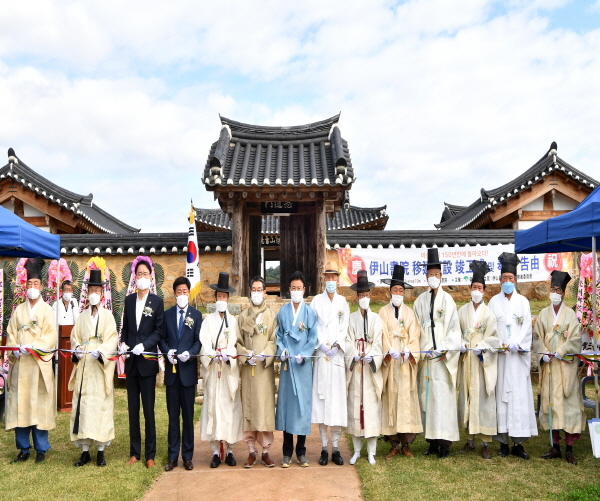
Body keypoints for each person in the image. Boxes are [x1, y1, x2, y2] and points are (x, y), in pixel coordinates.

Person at [5, 257, 57, 464]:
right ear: (25, 287)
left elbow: (51, 336)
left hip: (38, 365)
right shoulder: (18, 311)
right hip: (22, 366)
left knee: (39, 406)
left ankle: (41, 448)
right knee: (21, 405)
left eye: (36, 284)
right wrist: (14, 350)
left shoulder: (47, 310)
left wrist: (34, 346)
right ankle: (23, 448)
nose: (32, 288)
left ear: (42, 287)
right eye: (29, 284)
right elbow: (11, 333)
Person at [533, 270, 585, 465]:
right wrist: (544, 352)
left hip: (565, 367)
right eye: (552, 289)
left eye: (558, 289)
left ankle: (569, 448)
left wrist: (561, 350)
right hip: (549, 366)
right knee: (551, 404)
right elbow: (537, 336)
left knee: (567, 404)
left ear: (563, 293)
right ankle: (554, 446)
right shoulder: (543, 314)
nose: (554, 292)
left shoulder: (570, 315)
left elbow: (576, 338)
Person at [488, 252, 537, 459]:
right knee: (501, 399)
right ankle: (503, 442)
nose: (507, 282)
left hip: (517, 359)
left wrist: (518, 344)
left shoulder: (523, 302)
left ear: (515, 280)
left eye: (511, 278)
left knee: (518, 398)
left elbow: (526, 327)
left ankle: (519, 442)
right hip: (501, 359)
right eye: (504, 278)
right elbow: (490, 329)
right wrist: (499, 344)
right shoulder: (493, 302)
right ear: (499, 280)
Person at [413, 248, 461, 459]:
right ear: (426, 276)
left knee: (443, 400)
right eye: (430, 274)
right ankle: (431, 441)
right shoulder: (419, 301)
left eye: (436, 274)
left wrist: (443, 347)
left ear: (441, 276)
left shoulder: (448, 301)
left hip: (442, 358)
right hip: (427, 358)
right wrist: (424, 347)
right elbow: (416, 328)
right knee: (428, 400)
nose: (433, 278)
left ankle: (445, 443)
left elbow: (454, 329)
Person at [69, 269, 118, 467]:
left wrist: (103, 352)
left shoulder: (108, 317)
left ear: (102, 293)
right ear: (87, 293)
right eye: (91, 290)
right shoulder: (81, 317)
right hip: (84, 368)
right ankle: (85, 450)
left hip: (99, 366)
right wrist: (77, 350)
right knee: (84, 407)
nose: (94, 293)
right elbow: (74, 338)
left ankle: (100, 450)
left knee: (100, 406)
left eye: (97, 289)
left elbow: (112, 339)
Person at [119, 258, 165, 468]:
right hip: (131, 364)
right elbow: (126, 328)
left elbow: (158, 331)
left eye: (145, 274)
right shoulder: (129, 301)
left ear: (151, 276)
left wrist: (144, 345)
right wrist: (123, 344)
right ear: (134, 277)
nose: (142, 278)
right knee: (133, 409)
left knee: (148, 410)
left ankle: (150, 454)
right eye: (139, 274)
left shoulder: (156, 301)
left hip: (146, 362)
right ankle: (134, 452)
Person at [456, 260, 499, 459]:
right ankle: (469, 439)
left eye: (480, 288)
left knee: (483, 399)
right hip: (467, 362)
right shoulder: (462, 311)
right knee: (467, 398)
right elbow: (455, 333)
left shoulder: (489, 313)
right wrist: (462, 344)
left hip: (481, 363)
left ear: (484, 291)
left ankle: (485, 442)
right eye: (474, 287)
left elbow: (494, 337)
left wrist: (483, 346)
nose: (476, 290)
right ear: (469, 289)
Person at [275, 271, 318, 468]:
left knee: (302, 408)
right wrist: (281, 350)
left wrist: (306, 353)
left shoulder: (309, 313)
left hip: (302, 366)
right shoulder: (282, 312)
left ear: (304, 290)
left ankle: (301, 451)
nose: (296, 291)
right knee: (287, 408)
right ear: (288, 289)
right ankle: (286, 452)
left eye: (299, 288)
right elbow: (278, 335)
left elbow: (313, 337)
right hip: (287, 366)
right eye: (293, 288)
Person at [199, 272, 243, 468]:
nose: (221, 300)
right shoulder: (208, 321)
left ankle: (231, 450)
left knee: (229, 409)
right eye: (219, 297)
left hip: (227, 372)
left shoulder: (233, 322)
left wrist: (228, 354)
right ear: (215, 298)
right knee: (213, 409)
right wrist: (211, 354)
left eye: (224, 297)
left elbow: (235, 343)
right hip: (213, 371)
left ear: (228, 298)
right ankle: (216, 452)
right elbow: (203, 343)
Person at [159, 276, 202, 472]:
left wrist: (190, 354)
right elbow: (161, 338)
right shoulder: (167, 315)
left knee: (188, 416)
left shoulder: (196, 314)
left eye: (185, 292)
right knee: (173, 416)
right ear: (174, 293)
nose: (182, 295)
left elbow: (198, 341)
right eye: (179, 292)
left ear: (189, 293)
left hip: (187, 373)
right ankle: (172, 456)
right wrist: (167, 351)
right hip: (172, 373)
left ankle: (187, 456)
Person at [380, 265, 422, 459]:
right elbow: (380, 334)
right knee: (391, 400)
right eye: (395, 290)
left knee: (406, 400)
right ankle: (393, 444)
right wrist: (389, 349)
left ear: (404, 293)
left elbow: (415, 336)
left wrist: (408, 350)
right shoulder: (382, 312)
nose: (398, 293)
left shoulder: (410, 313)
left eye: (401, 291)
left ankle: (406, 444)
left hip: (405, 363)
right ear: (390, 292)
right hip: (391, 363)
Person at [310, 261, 350, 466]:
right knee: (322, 402)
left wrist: (337, 345)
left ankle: (336, 447)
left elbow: (345, 327)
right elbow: (313, 324)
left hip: (337, 356)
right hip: (322, 355)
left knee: (336, 403)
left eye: (334, 277)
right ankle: (324, 447)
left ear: (338, 279)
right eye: (328, 277)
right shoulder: (316, 300)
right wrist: (322, 344)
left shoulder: (343, 302)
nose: (331, 280)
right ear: (324, 279)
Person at [236, 276, 278, 468]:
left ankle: (266, 451)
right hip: (248, 370)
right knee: (249, 409)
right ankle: (251, 450)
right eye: (253, 289)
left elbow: (273, 340)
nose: (256, 292)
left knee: (264, 408)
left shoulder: (271, 316)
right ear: (249, 292)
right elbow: (237, 342)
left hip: (263, 369)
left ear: (265, 292)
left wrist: (265, 354)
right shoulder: (243, 316)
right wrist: (246, 355)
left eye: (259, 289)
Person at [346, 270, 385, 466]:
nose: (364, 298)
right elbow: (347, 340)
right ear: (357, 297)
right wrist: (354, 352)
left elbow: (379, 342)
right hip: (356, 371)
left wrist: (371, 355)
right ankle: (356, 450)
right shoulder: (351, 319)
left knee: (370, 409)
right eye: (361, 295)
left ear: (371, 296)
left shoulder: (377, 319)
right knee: (355, 409)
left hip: (369, 370)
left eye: (367, 295)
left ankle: (371, 451)